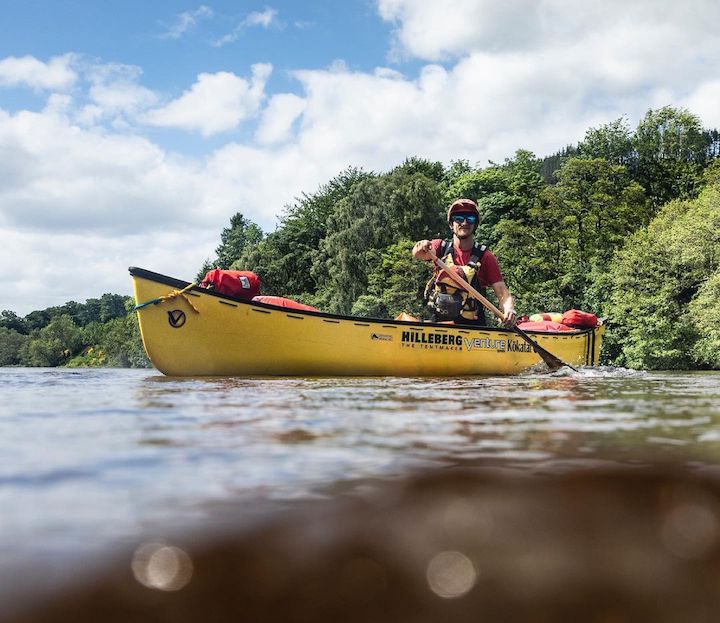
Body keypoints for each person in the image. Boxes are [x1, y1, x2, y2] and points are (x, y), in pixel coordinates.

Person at [412, 198, 516, 327]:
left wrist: (509, 309)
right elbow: (419, 253)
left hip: (473, 326)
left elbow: (502, 291)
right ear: (451, 224)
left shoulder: (485, 256)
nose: (465, 222)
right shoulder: (440, 247)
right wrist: (422, 245)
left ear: (475, 224)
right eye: (459, 218)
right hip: (441, 324)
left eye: (470, 219)